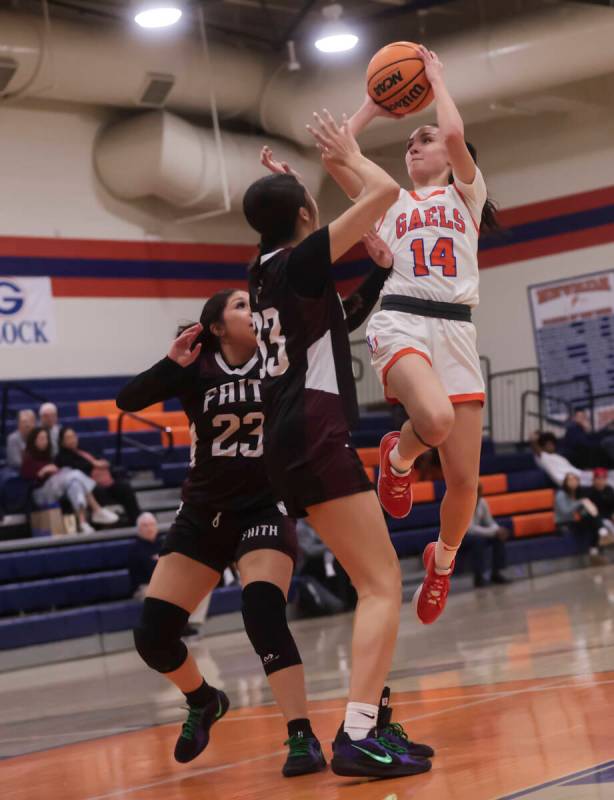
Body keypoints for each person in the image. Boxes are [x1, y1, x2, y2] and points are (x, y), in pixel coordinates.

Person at [244, 110, 431, 779]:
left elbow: (335, 320)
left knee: (368, 582)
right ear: (301, 217)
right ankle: (357, 736)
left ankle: (374, 723)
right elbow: (381, 192)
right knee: (383, 585)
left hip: (286, 442)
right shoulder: (296, 262)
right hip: (314, 436)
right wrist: (348, 151)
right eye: (307, 210)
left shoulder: (264, 272)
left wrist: (375, 274)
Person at [323, 47, 499, 626]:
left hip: (456, 332)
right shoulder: (388, 199)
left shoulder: (466, 196)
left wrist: (439, 80)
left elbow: (454, 132)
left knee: (465, 484)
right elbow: (336, 153)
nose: (414, 145)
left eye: (422, 139)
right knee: (437, 419)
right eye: (411, 141)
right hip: (400, 317)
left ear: (450, 157)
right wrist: (372, 106)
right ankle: (397, 461)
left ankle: (442, 562)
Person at [20, 427, 118, 533]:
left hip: (56, 490)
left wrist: (53, 470)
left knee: (75, 484)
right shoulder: (28, 458)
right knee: (73, 473)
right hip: (40, 494)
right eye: (41, 438)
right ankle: (97, 509)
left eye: (46, 438)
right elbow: (27, 479)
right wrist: (42, 472)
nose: (45, 441)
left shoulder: (48, 455)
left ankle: (82, 523)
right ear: (33, 440)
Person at [56, 426, 141, 524]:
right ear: (62, 442)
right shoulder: (61, 457)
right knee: (98, 491)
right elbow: (77, 471)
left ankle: (136, 520)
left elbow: (101, 459)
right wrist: (94, 465)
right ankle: (110, 523)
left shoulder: (84, 449)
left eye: (73, 436)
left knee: (124, 487)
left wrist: (103, 464)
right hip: (90, 487)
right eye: (68, 438)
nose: (72, 440)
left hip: (108, 482)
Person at [554, 473, 608, 566]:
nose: (573, 482)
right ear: (565, 482)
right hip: (564, 523)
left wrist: (590, 509)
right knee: (592, 518)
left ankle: (594, 549)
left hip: (576, 520)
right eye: (570, 480)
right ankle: (601, 531)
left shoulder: (579, 492)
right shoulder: (561, 494)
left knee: (592, 517)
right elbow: (565, 511)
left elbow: (581, 510)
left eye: (575, 480)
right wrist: (581, 502)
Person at [463, 484, 511, 588]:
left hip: (477, 535)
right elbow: (470, 529)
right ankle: (478, 577)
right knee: (478, 541)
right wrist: (493, 532)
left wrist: (498, 530)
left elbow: (489, 521)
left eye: (479, 492)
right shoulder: (463, 503)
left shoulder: (482, 502)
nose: (478, 494)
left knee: (498, 538)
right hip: (460, 538)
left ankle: (496, 573)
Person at [530, 431, 614, 487]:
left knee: (611, 474)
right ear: (542, 446)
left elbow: (572, 469)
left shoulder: (556, 456)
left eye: (552, 444)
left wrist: (587, 472)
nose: (551, 446)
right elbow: (535, 447)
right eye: (548, 445)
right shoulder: (543, 458)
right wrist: (534, 438)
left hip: (580, 474)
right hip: (571, 480)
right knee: (608, 482)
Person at [583, 468, 614, 542]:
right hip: (593, 517)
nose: (600, 481)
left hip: (607, 515)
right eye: (598, 478)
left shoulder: (609, 490)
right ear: (593, 480)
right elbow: (588, 508)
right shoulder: (588, 491)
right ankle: (601, 532)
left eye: (603, 479)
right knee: (592, 512)